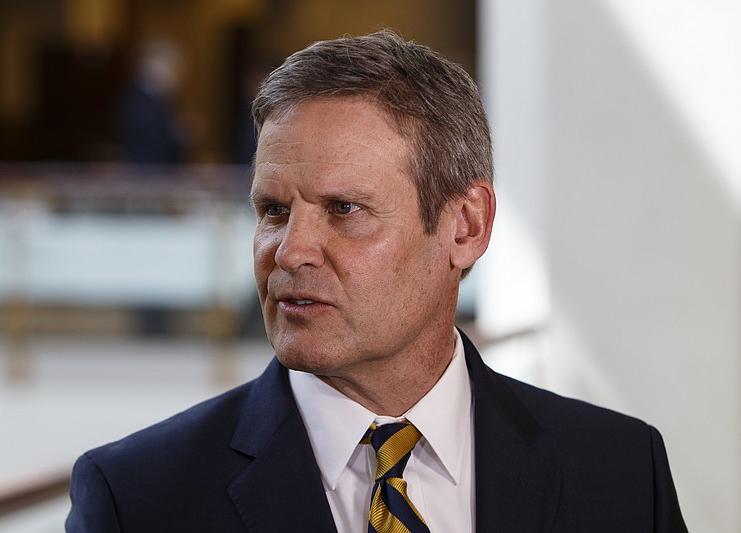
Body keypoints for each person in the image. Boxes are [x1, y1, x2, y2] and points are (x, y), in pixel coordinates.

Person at [66, 30, 687, 532]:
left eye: (344, 209)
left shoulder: (623, 474)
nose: (289, 251)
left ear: (466, 226)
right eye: (273, 211)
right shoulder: (137, 502)